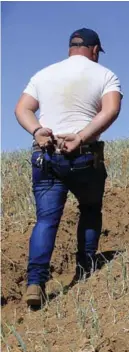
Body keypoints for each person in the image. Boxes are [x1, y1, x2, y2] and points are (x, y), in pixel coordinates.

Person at [14, 28, 123, 307]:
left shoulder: (44, 74)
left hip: (46, 154)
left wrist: (37, 130)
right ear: (95, 49)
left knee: (46, 220)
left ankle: (35, 282)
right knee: (89, 209)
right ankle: (85, 271)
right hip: (83, 156)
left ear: (70, 48)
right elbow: (110, 110)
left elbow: (22, 109)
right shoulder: (105, 75)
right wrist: (82, 137)